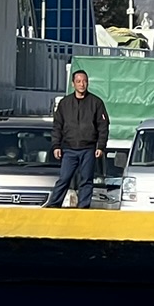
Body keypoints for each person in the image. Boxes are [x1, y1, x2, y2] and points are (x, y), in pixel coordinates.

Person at [46, 70, 110, 208]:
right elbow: (57, 126)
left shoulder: (96, 102)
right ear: (73, 84)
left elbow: (103, 126)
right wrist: (56, 145)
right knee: (64, 178)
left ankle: (83, 208)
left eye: (84, 81)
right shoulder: (65, 103)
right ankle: (53, 205)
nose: (82, 84)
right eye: (78, 81)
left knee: (86, 180)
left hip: (88, 149)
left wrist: (101, 146)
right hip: (69, 149)